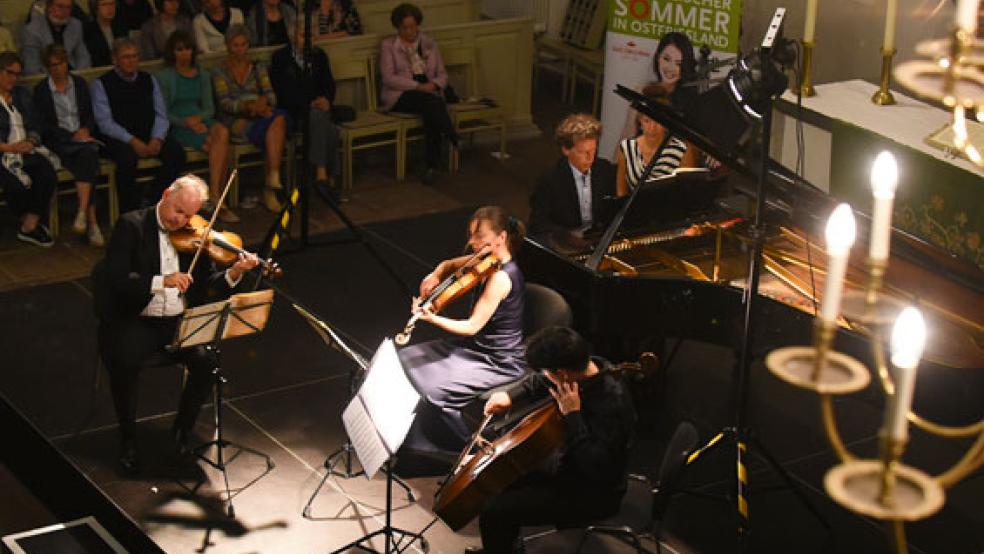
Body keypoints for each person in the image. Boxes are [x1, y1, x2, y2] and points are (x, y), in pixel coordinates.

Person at [93, 175, 260, 474]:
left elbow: (207, 288)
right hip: (138, 319)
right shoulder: (131, 225)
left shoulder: (196, 234)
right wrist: (161, 281)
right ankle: (128, 439)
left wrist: (234, 272)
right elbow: (118, 279)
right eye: (178, 211)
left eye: (189, 214)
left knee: (206, 363)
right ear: (166, 193)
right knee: (124, 363)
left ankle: (181, 434)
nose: (181, 220)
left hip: (177, 321)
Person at [471, 326, 637, 554]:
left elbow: (597, 467)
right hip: (566, 467)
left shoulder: (613, 404)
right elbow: (539, 381)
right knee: (496, 482)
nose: (545, 376)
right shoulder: (588, 368)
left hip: (591, 491)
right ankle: (504, 548)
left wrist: (573, 416)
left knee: (495, 511)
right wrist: (510, 395)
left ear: (562, 373)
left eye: (548, 372)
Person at [398, 206, 527, 456]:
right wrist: (434, 274)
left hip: (497, 359)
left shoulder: (501, 278)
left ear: (501, 237)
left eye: (479, 236)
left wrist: (430, 317)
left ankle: (467, 452)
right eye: (471, 235)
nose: (472, 242)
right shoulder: (484, 260)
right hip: (474, 348)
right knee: (403, 359)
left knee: (433, 391)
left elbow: (471, 326)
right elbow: (448, 264)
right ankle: (409, 443)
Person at [92, 38, 187, 212]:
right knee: (127, 159)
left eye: (135, 56)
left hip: (148, 132)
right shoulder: (102, 84)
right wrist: (132, 141)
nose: (131, 61)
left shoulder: (148, 79)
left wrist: (157, 138)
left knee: (176, 154)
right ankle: (130, 211)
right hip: (118, 137)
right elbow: (105, 122)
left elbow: (161, 114)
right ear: (115, 59)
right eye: (126, 57)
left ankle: (153, 199)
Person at [157, 30, 236, 222]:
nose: (184, 54)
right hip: (179, 124)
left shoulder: (202, 74)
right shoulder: (165, 76)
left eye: (188, 49)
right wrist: (187, 122)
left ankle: (215, 196)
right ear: (173, 52)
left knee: (222, 133)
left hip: (201, 120)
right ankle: (217, 199)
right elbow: (164, 111)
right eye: (179, 50)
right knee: (219, 149)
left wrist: (198, 120)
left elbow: (209, 108)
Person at [33, 44, 105, 246]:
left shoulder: (80, 84)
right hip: (60, 141)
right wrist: (70, 135)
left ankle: (83, 214)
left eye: (61, 63)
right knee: (89, 159)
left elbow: (90, 115)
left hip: (83, 138)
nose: (58, 69)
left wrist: (85, 130)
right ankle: (91, 221)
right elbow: (44, 125)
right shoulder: (42, 91)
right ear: (48, 68)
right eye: (53, 65)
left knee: (88, 155)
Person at [212, 24, 288, 212]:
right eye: (236, 45)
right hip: (236, 121)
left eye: (244, 44)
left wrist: (262, 103)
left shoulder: (257, 67)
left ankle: (272, 178)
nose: (240, 49)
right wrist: (250, 107)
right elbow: (225, 103)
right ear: (228, 46)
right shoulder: (219, 71)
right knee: (276, 123)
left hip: (263, 115)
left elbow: (271, 95)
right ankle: (270, 185)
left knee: (278, 119)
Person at [379, 2, 456, 185]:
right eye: (405, 28)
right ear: (398, 27)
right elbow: (388, 78)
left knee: (431, 110)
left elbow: (443, 74)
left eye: (412, 27)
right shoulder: (388, 46)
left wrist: (434, 85)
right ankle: (450, 134)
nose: (409, 31)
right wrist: (417, 86)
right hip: (402, 93)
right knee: (433, 104)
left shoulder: (429, 43)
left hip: (428, 90)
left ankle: (431, 166)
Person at [269, 21, 340, 196]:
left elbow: (329, 84)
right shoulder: (280, 58)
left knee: (323, 121)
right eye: (303, 36)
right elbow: (282, 92)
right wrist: (309, 103)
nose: (309, 41)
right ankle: (325, 175)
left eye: (312, 36)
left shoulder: (319, 55)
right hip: (293, 111)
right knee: (327, 126)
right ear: (293, 37)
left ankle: (323, 177)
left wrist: (326, 100)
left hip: (318, 110)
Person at [0, 51, 57, 248]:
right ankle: (26, 219)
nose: (14, 79)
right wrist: (8, 147)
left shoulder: (21, 94)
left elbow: (35, 122)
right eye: (10, 73)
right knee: (13, 183)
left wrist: (31, 141)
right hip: (4, 151)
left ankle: (30, 224)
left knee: (46, 173)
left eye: (17, 74)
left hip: (24, 149)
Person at [528, 113, 616, 236]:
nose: (590, 158)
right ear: (566, 150)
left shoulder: (605, 170)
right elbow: (538, 224)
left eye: (593, 150)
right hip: (565, 245)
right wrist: (570, 235)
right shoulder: (549, 180)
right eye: (582, 152)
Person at [615, 83, 700, 197]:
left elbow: (686, 194)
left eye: (657, 122)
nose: (652, 128)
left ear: (665, 123)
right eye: (647, 121)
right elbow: (621, 193)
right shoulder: (626, 148)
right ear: (640, 121)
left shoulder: (681, 150)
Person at [618, 32, 696, 145]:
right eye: (666, 59)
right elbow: (627, 135)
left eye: (678, 64)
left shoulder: (691, 101)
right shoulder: (642, 91)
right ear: (658, 57)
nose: (670, 68)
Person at [20, 0, 92, 75]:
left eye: (68, 7)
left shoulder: (75, 25)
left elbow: (83, 57)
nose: (64, 11)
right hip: (47, 78)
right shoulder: (32, 30)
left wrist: (78, 76)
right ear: (49, 7)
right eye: (60, 6)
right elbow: (31, 68)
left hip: (73, 75)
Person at [82, 0, 128, 68]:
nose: (110, 8)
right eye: (104, 5)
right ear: (96, 8)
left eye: (112, 4)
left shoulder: (121, 26)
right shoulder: (88, 30)